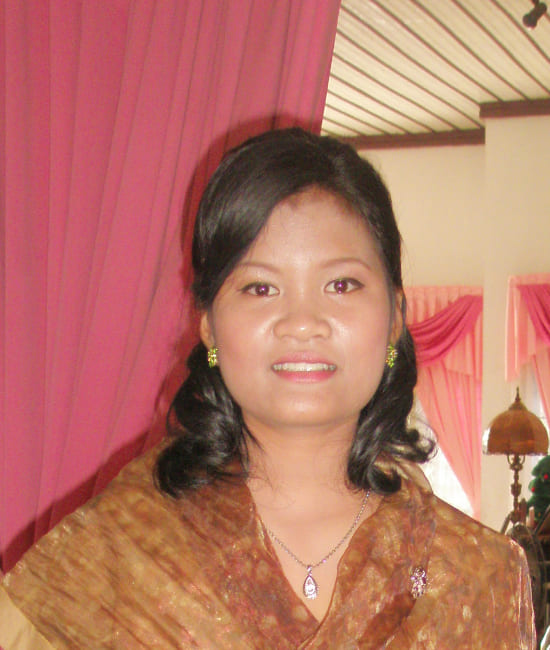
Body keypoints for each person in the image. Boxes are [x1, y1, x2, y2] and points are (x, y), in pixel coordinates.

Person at [0, 128, 535, 648]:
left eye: (341, 284)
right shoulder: (108, 564)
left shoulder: (477, 580)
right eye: (260, 288)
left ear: (396, 315)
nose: (302, 322)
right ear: (208, 323)